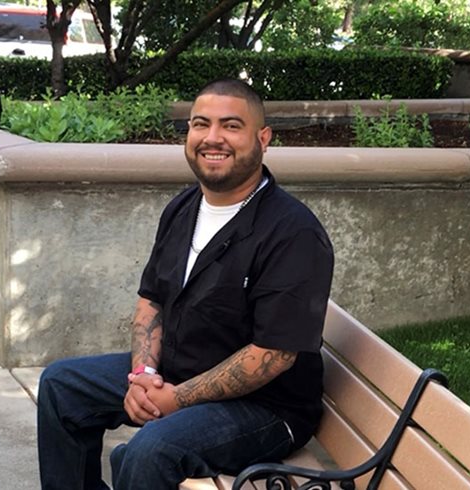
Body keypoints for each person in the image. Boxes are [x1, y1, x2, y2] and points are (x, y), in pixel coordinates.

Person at [37, 78, 334, 490]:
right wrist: (142, 374)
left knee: (147, 451)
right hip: (180, 369)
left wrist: (173, 399)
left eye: (231, 126)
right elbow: (151, 301)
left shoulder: (293, 232)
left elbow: (273, 355)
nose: (213, 138)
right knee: (61, 386)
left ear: (263, 138)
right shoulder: (184, 207)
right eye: (200, 124)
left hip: (266, 407)